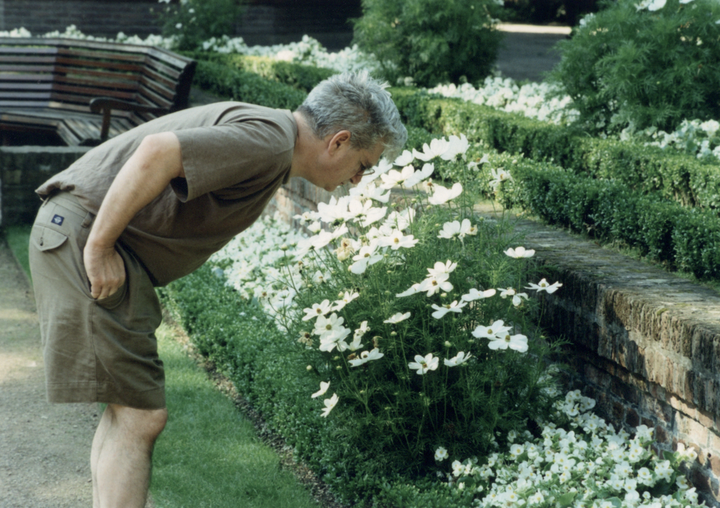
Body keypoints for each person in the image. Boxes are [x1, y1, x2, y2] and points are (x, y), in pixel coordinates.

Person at [28, 71, 407, 508]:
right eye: (363, 165)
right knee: (140, 415)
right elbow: (158, 152)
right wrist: (99, 247)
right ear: (338, 141)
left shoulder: (273, 140)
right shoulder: (270, 142)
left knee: (130, 412)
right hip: (84, 236)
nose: (358, 179)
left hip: (95, 239)